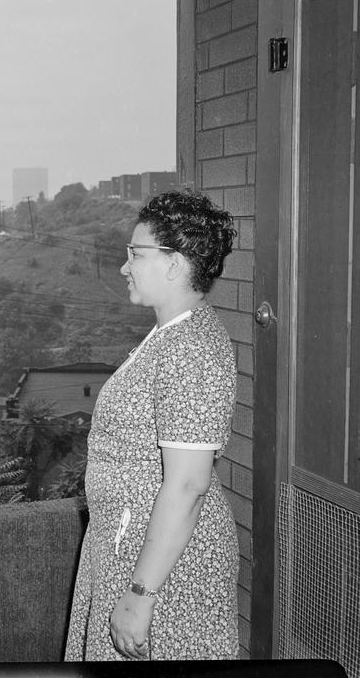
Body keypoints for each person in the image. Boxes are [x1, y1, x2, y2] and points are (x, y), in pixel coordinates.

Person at [64, 190, 239, 661]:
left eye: (135, 255)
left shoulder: (191, 349)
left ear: (175, 264)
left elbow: (187, 485)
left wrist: (140, 595)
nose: (125, 267)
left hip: (164, 570)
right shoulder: (171, 335)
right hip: (134, 546)